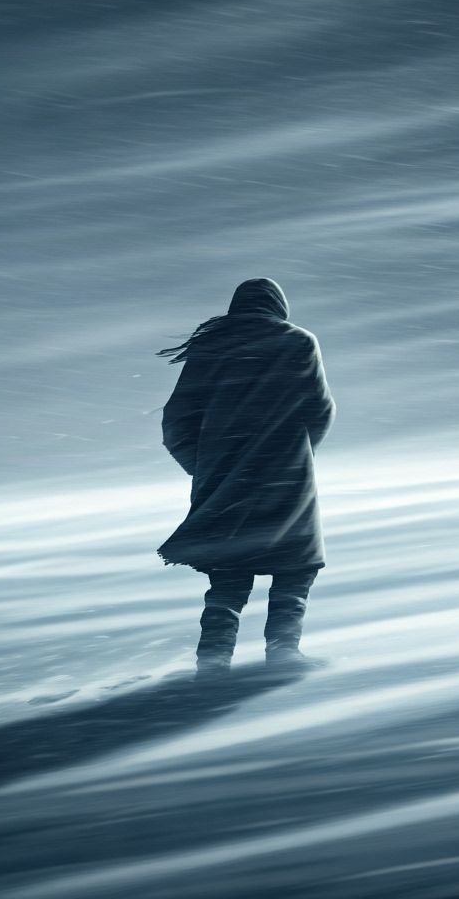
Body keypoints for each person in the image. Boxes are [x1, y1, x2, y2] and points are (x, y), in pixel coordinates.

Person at [156, 278, 335, 679]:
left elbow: (177, 421)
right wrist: (299, 455)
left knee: (229, 572)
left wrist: (204, 467)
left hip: (224, 478)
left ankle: (214, 661)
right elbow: (320, 410)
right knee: (295, 566)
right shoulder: (298, 342)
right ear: (278, 306)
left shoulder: (212, 346)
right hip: (288, 477)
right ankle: (283, 654)